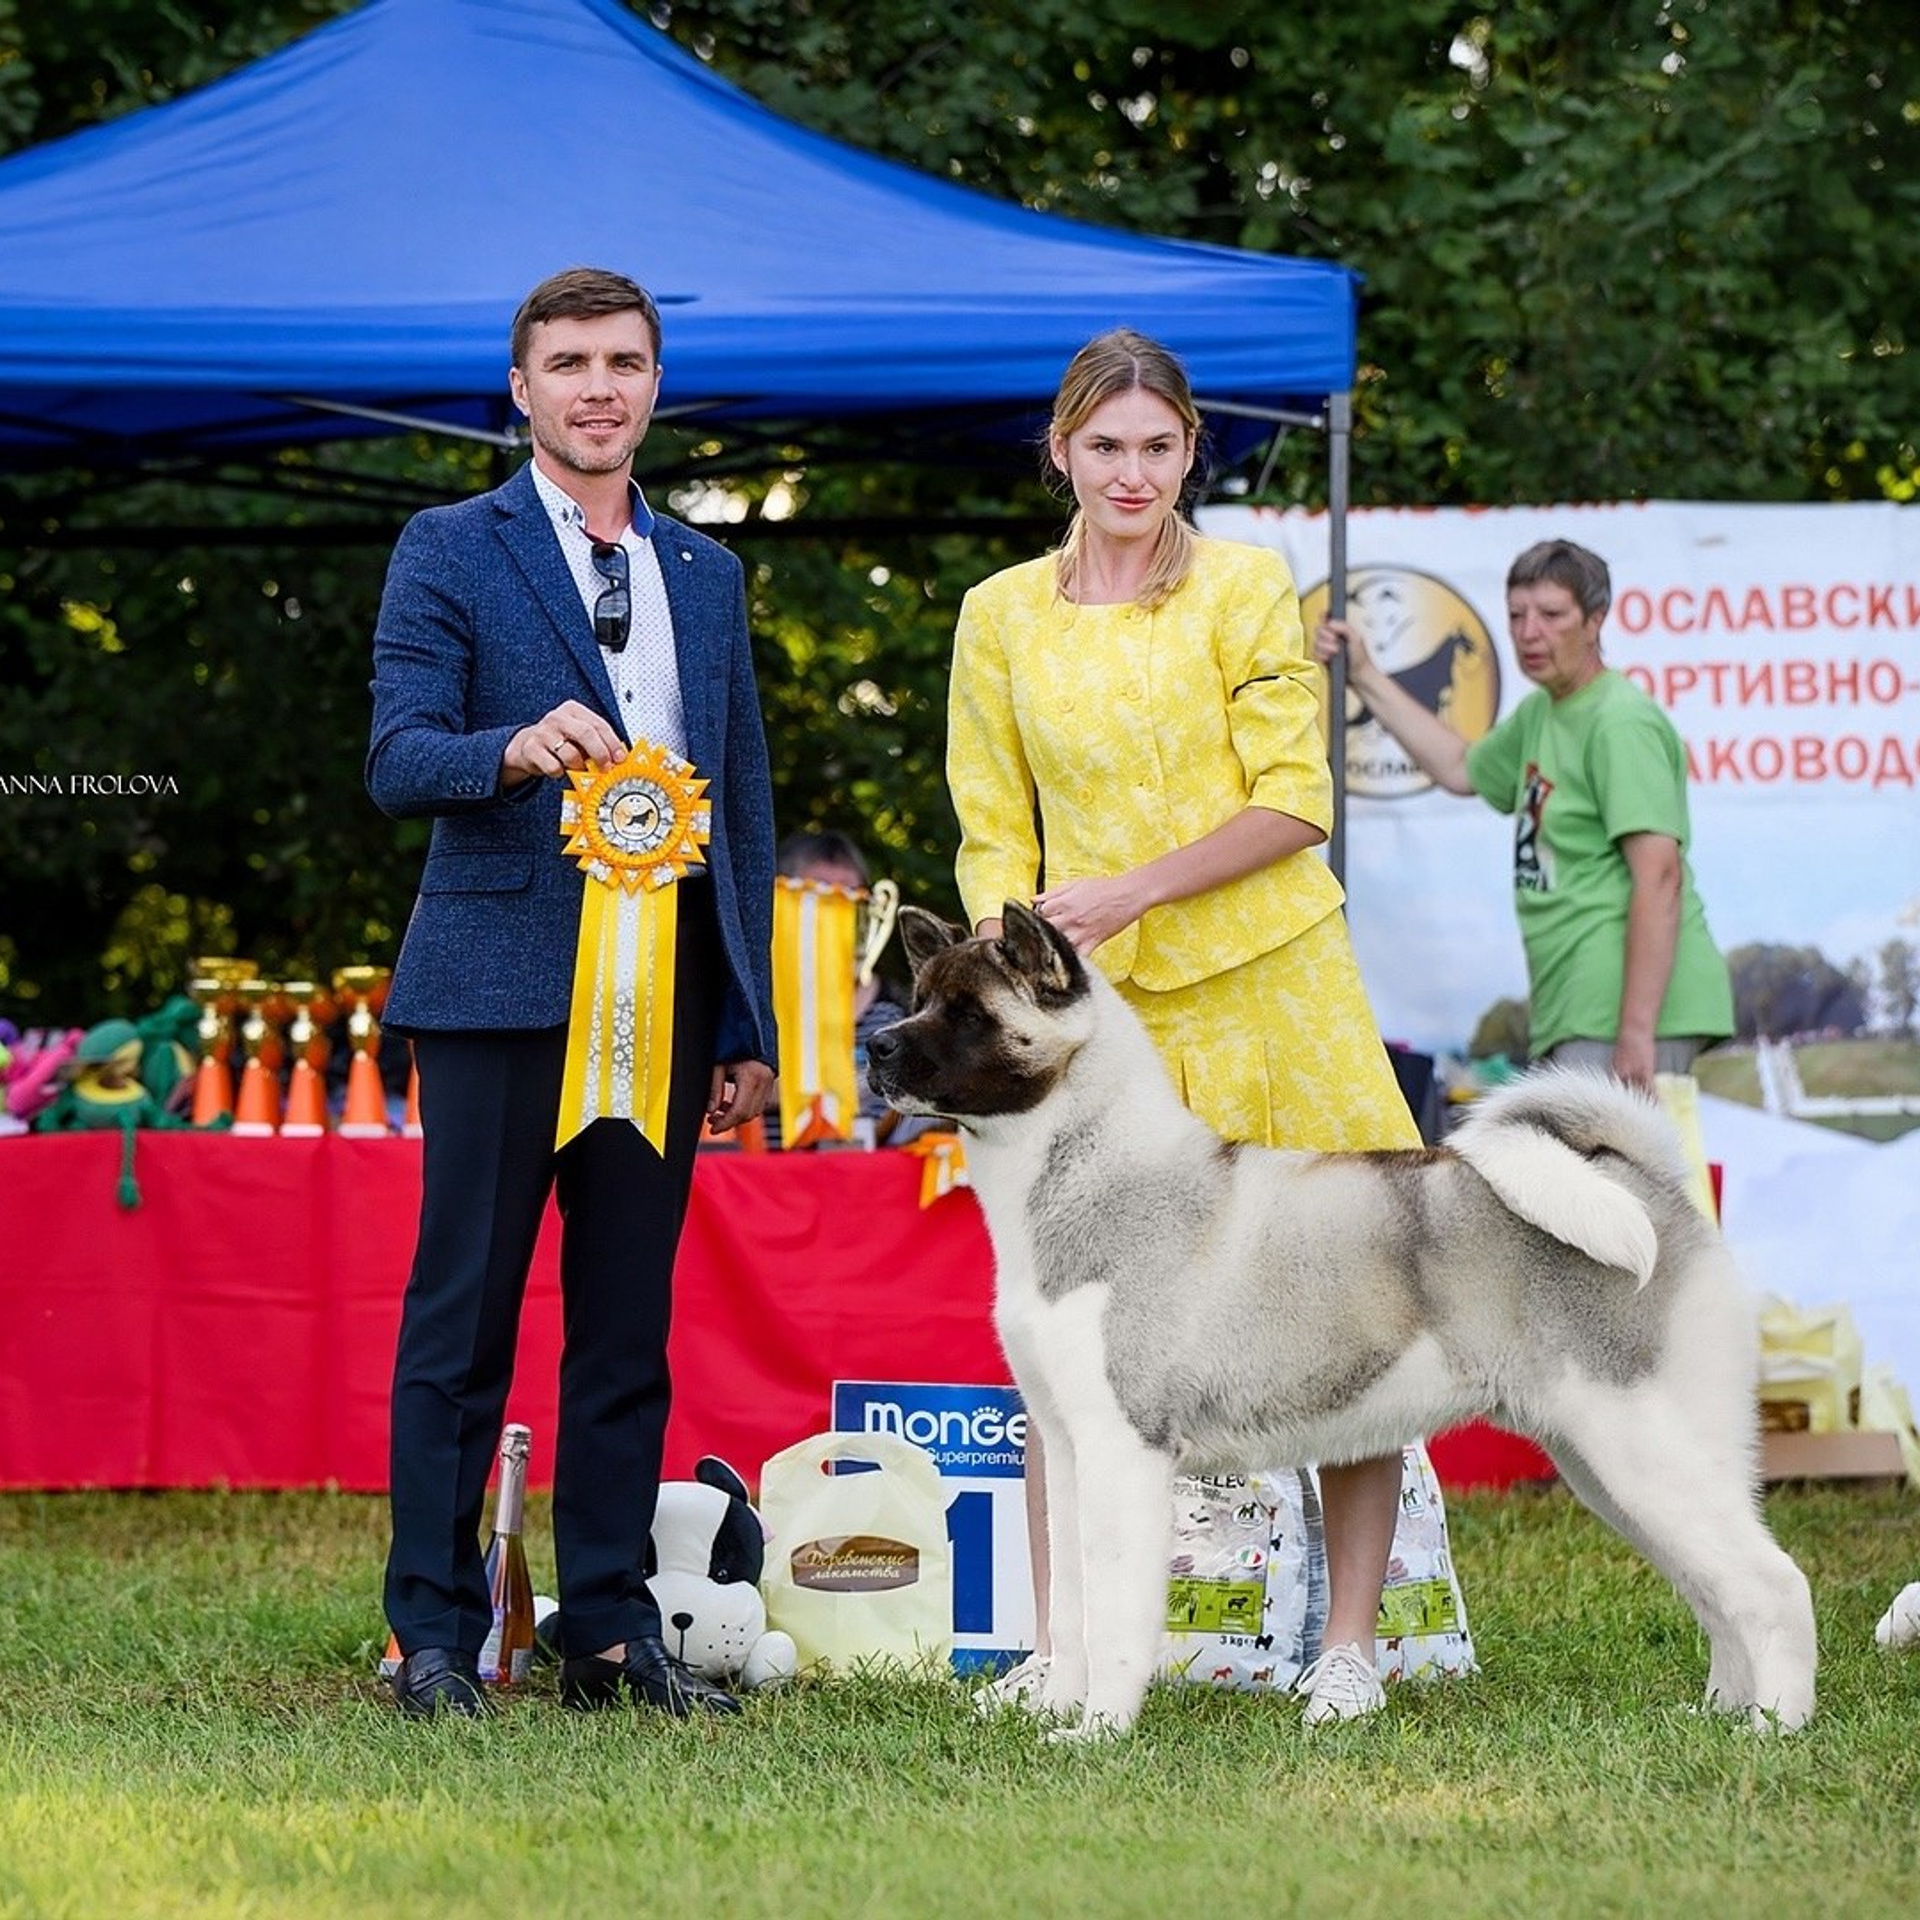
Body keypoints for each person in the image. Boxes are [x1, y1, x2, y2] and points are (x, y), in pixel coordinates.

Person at [946, 326, 1427, 1727]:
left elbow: (1298, 800)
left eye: (1159, 447)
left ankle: (1349, 1643)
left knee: (1353, 1297)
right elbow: (990, 824)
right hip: (1093, 1027)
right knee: (1070, 1327)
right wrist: (1018, 950)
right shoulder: (999, 614)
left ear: (1190, 453)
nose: (1133, 472)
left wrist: (1128, 892)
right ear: (1061, 451)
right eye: (1107, 446)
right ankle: (1068, 1648)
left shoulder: (1248, 588)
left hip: (1277, 986)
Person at [367, 266, 777, 1721]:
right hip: (488, 991)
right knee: (461, 1321)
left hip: (661, 1003)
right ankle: (434, 1634)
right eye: (569, 364)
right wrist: (507, 747)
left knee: (624, 1324)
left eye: (623, 362)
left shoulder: (707, 575)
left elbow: (741, 805)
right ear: (523, 388)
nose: (598, 388)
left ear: (654, 384)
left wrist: (746, 1023)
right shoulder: (447, 545)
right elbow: (395, 757)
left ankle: (607, 1629)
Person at [1314, 539, 1732, 1089]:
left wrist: (1636, 1032)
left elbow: (1660, 874)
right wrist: (1365, 675)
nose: (1529, 632)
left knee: (1607, 1177)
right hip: (1579, 1005)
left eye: (1552, 614)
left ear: (1595, 620)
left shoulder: (1619, 721)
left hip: (1620, 1011)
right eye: (1516, 615)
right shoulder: (1543, 710)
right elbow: (1463, 767)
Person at [765, 828, 932, 1150]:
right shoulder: (751, 1005)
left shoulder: (892, 1013)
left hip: (861, 1180)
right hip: (753, 1180)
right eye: (821, 897)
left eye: (851, 897)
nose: (836, 915)